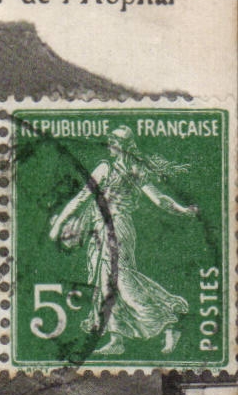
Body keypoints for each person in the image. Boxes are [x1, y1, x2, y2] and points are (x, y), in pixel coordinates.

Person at [48, 125, 199, 355]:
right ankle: (117, 339)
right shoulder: (115, 168)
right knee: (105, 283)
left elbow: (159, 200)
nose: (110, 144)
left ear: (125, 146)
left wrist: (182, 210)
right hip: (100, 230)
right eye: (110, 139)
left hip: (117, 228)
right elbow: (83, 197)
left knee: (123, 281)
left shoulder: (121, 169)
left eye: (114, 140)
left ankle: (170, 320)